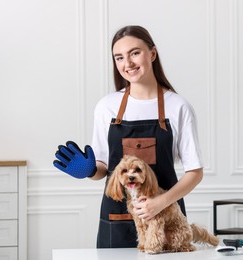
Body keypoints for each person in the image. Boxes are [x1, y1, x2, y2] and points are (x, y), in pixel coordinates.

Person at [53, 25, 204, 248]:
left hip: (165, 218)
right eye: (119, 57)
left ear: (152, 54)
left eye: (135, 53)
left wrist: (161, 203)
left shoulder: (178, 106)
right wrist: (90, 170)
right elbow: (103, 166)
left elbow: (195, 172)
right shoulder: (107, 106)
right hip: (117, 216)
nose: (128, 63)